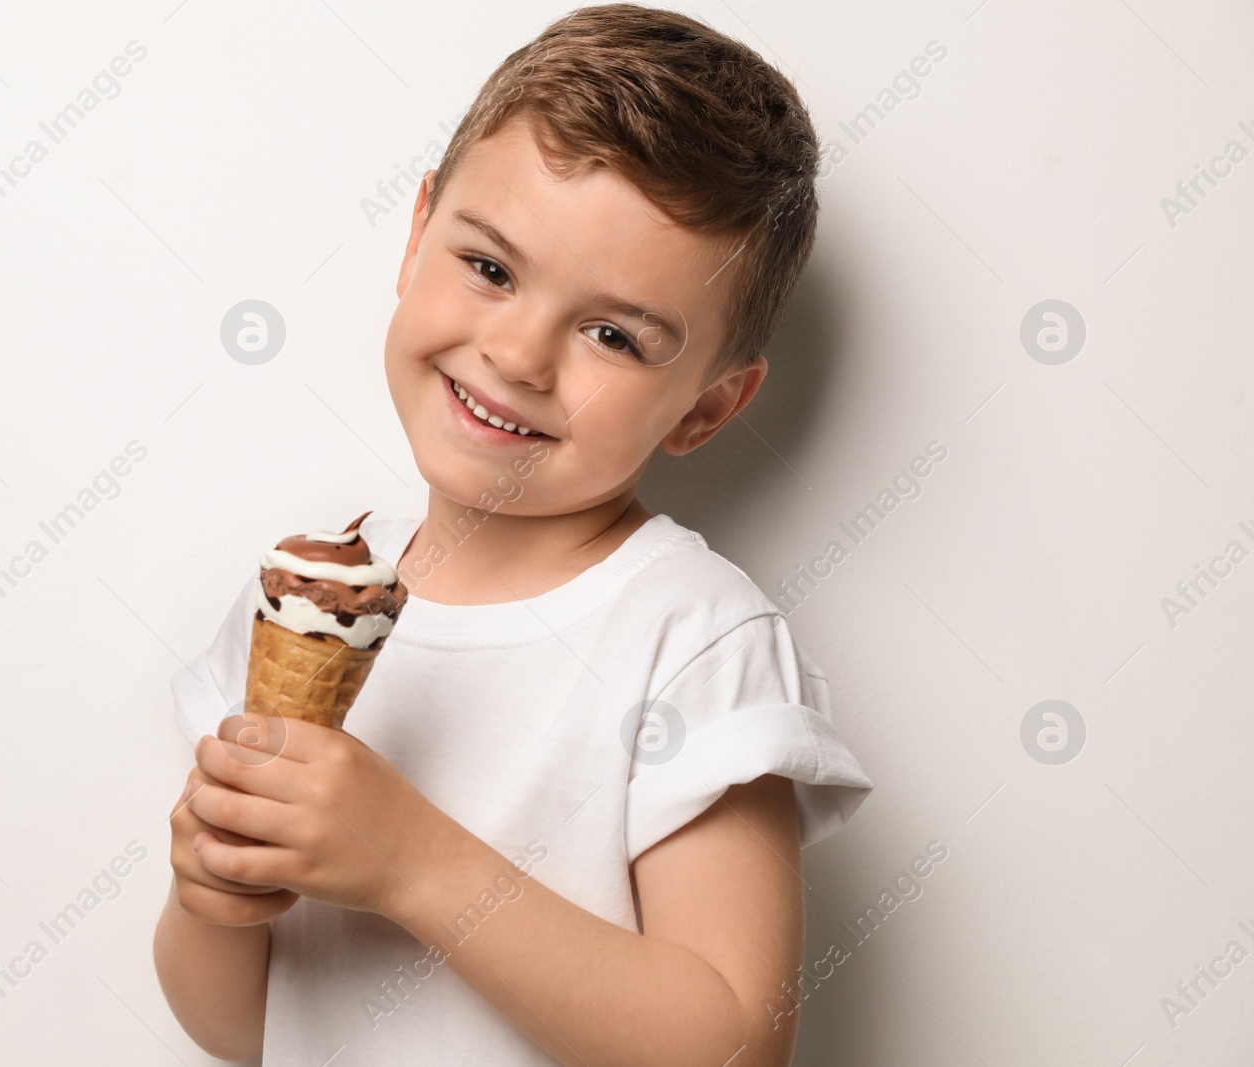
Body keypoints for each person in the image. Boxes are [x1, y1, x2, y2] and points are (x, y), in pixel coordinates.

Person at [155, 5, 873, 1063]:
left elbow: (734, 1043)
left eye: (612, 334)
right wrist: (211, 899)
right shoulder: (310, 595)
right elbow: (239, 1027)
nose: (520, 354)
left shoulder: (692, 635)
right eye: (489, 268)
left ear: (705, 409)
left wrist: (410, 861)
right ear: (416, 236)